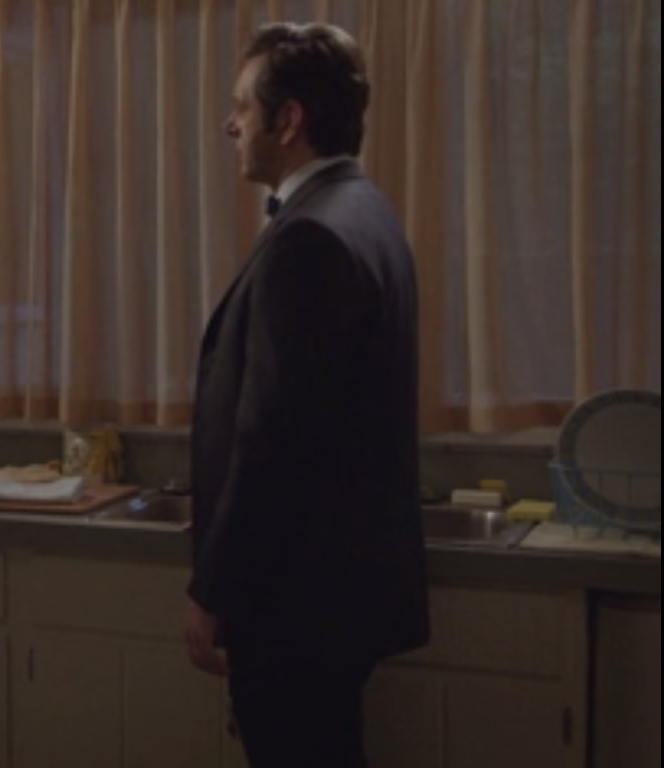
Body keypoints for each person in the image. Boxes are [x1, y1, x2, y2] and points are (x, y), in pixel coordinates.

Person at [183, 23, 430, 768]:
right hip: (335, 596)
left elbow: (273, 441)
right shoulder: (363, 208)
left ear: (289, 120)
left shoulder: (311, 238)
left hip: (294, 602)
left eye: (242, 107)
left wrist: (213, 590)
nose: (229, 124)